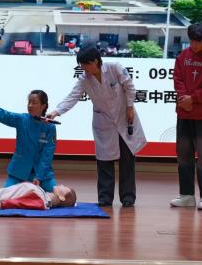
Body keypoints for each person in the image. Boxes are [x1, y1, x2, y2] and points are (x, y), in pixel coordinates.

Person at [46, 46, 147, 207]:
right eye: (81, 65)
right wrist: (56, 112)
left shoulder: (115, 68)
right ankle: (105, 198)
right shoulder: (84, 79)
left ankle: (128, 198)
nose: (83, 68)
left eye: (85, 64)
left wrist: (129, 107)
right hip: (103, 123)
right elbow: (72, 97)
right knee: (104, 162)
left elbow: (129, 87)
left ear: (95, 61)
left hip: (124, 117)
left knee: (127, 160)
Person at [170, 23, 202, 211]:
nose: (194, 45)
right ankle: (187, 195)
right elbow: (178, 79)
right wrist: (184, 97)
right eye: (192, 41)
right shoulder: (183, 56)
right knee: (184, 155)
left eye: (198, 42)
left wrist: (193, 98)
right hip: (184, 112)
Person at [0, 90, 57, 192]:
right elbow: (4, 115)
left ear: (43, 106)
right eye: (29, 102)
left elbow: (47, 155)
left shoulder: (50, 127)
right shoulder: (22, 119)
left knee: (59, 196)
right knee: (4, 195)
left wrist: (39, 177)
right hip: (19, 172)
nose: (30, 105)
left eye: (34, 103)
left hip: (42, 174)